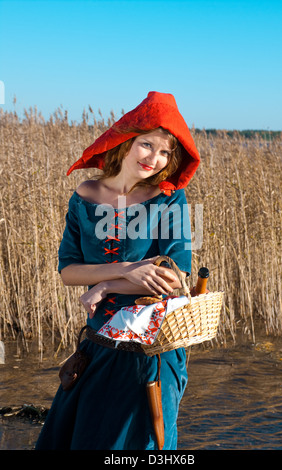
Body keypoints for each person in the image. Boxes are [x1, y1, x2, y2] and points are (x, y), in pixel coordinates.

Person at [35, 91, 200, 450]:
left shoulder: (172, 198)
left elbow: (177, 276)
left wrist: (107, 282)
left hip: (151, 347)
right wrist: (129, 268)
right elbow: (68, 271)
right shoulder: (85, 195)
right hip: (98, 343)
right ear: (126, 142)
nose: (154, 159)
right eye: (146, 145)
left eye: (165, 152)